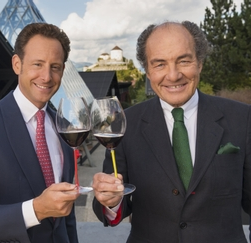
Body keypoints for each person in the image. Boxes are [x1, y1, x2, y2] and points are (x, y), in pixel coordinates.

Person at [92, 21, 251, 243]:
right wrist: (110, 201)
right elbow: (111, 212)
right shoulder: (124, 124)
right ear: (147, 71)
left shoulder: (243, 119)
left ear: (200, 63)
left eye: (184, 61)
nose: (173, 75)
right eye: (160, 65)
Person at [0, 23, 80, 243]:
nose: (47, 76)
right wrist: (36, 210)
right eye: (37, 64)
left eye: (55, 67)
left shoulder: (64, 128)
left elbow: (66, 218)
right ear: (17, 64)